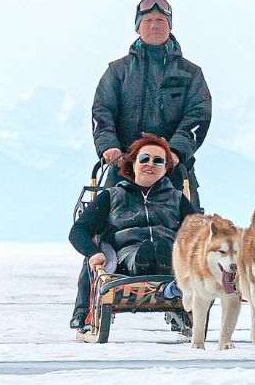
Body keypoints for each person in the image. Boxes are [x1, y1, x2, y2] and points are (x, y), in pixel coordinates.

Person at [70, 0, 212, 327]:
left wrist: (176, 152)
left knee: (187, 235)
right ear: (138, 27)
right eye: (148, 21)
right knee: (100, 231)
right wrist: (108, 147)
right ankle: (86, 311)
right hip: (122, 165)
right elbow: (101, 113)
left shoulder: (190, 74)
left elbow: (198, 116)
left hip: (173, 168)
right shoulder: (117, 72)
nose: (154, 25)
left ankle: (185, 310)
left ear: (170, 25)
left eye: (161, 20)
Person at [69, 134, 198, 325]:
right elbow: (79, 231)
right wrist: (93, 253)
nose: (150, 164)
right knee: (142, 252)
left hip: (172, 256)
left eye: (158, 161)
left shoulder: (177, 198)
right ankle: (84, 313)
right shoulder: (111, 196)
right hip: (125, 257)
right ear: (133, 164)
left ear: (166, 168)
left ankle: (165, 266)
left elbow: (200, 233)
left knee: (169, 250)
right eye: (144, 159)